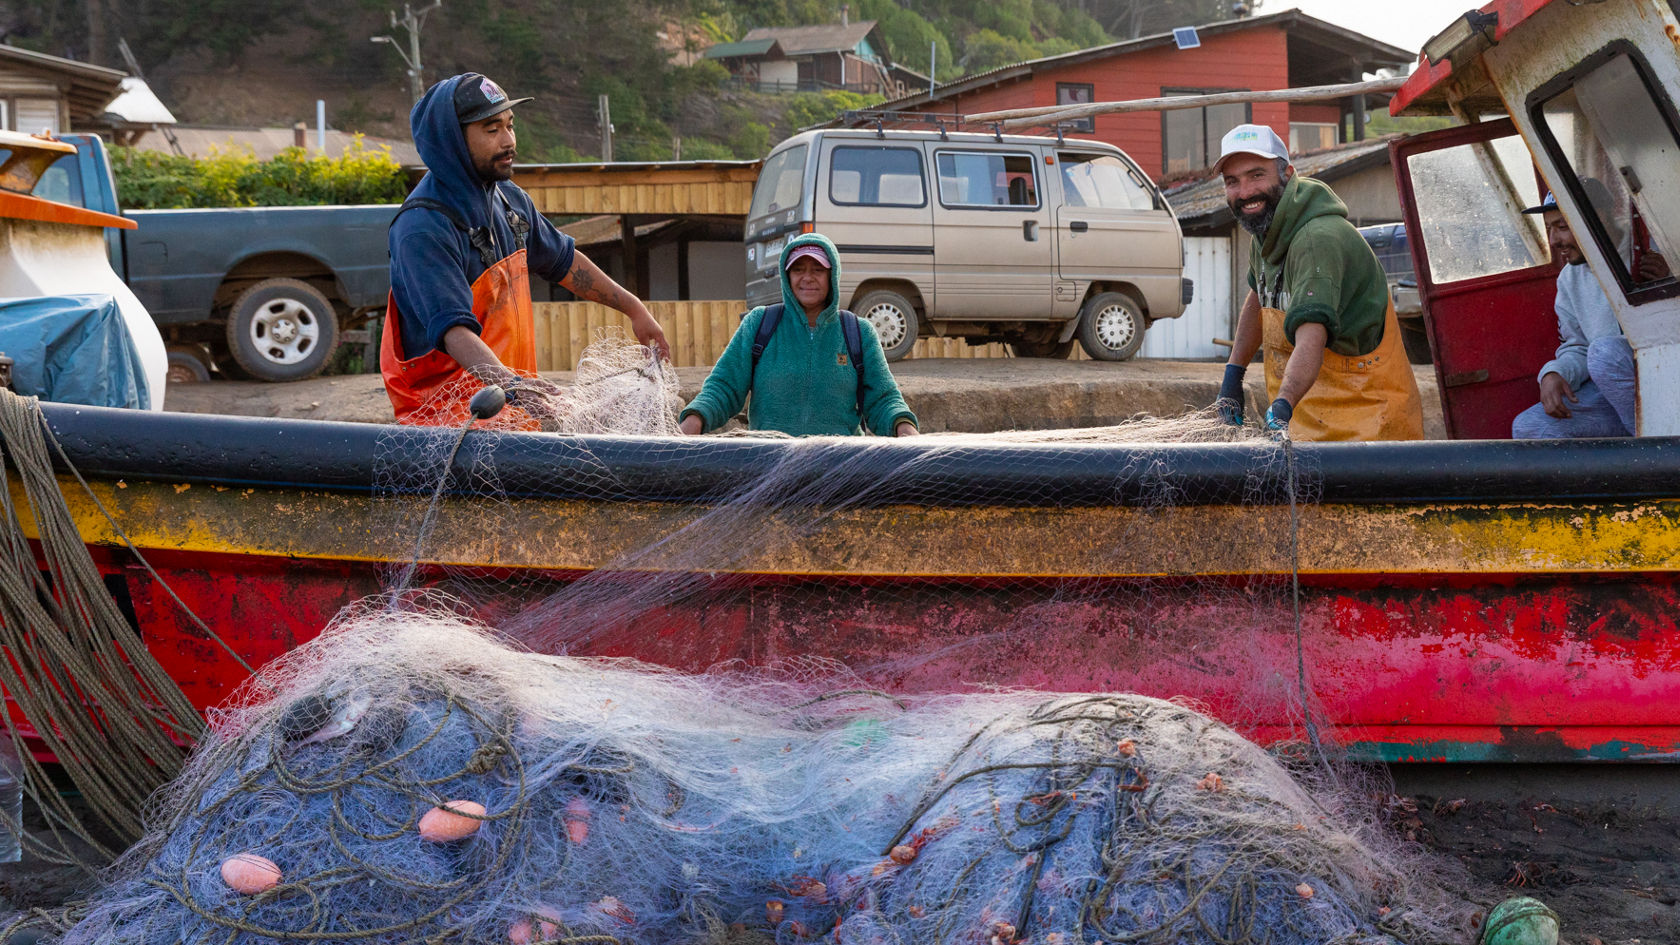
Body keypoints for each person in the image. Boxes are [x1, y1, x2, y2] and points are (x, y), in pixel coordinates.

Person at [382, 73, 669, 424]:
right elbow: (454, 332)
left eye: (510, 125)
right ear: (452, 140)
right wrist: (519, 390)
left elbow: (564, 262)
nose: (509, 141)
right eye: (492, 129)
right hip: (452, 427)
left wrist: (634, 308)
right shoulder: (422, 228)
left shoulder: (511, 201)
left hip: (512, 415)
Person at [1211, 124, 1423, 440]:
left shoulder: (1316, 241)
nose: (1244, 193)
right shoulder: (1266, 232)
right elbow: (1260, 295)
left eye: (1257, 176)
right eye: (1232, 182)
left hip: (1369, 429)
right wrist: (1232, 376)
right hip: (1309, 422)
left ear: (1287, 174)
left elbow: (1312, 334)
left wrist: (1281, 407)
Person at [678, 234, 918, 437]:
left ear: (832, 275)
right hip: (769, 466)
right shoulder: (760, 324)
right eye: (798, 269)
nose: (807, 278)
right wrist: (694, 420)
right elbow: (724, 387)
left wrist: (904, 428)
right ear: (787, 276)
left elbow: (883, 400)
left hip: (841, 469)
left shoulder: (858, 332)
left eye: (818, 270)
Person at [1510, 191, 1637, 438]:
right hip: (1612, 395)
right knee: (1529, 429)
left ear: (1598, 218)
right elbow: (1577, 345)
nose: (1554, 240)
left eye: (1562, 226)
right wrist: (1555, 372)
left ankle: (1660, 457)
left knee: (1605, 354)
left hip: (1664, 383)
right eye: (1549, 228)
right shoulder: (1569, 278)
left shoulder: (1653, 251)